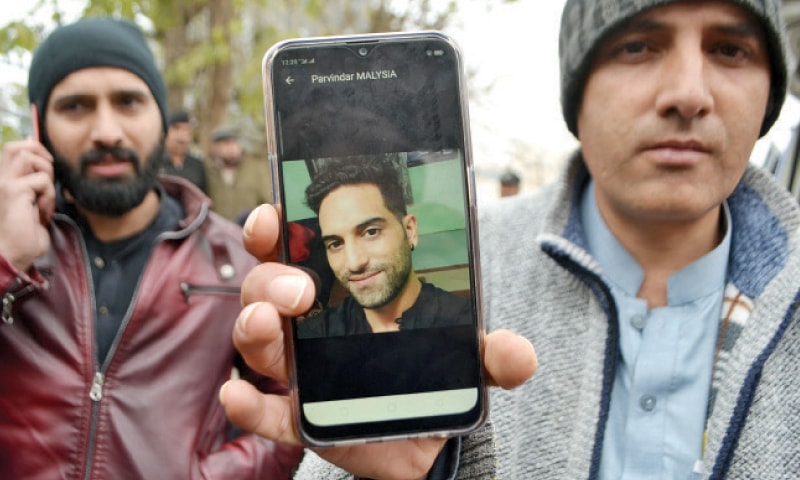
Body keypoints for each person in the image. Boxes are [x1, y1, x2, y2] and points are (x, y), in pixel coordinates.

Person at [219, 0, 800, 478]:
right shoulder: (480, 267)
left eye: (730, 49)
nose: (687, 93)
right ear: (578, 87)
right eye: (639, 45)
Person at [0, 17, 302, 478]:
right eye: (76, 106)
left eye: (128, 102)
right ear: (38, 127)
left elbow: (290, 404)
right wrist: (5, 261)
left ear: (161, 119)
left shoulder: (231, 262)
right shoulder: (10, 246)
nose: (106, 131)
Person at [296, 156, 472, 338]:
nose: (354, 263)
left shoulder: (465, 323)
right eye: (336, 243)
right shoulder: (314, 334)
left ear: (409, 231)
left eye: (371, 232)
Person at [205, 126, 272, 222]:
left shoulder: (255, 168)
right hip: (219, 232)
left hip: (248, 230)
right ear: (216, 147)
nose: (232, 148)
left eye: (234, 142)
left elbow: (267, 202)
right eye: (226, 144)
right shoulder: (210, 172)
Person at [161, 109, 208, 193]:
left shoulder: (197, 165)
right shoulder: (155, 162)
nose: (182, 136)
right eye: (176, 129)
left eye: (187, 131)